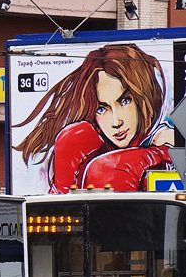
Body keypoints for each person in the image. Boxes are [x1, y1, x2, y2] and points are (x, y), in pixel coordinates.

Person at [13, 44, 174, 193]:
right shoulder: (81, 141)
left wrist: (164, 152)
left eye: (125, 101)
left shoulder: (166, 139)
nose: (116, 122)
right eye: (102, 108)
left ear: (145, 95)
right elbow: (60, 215)